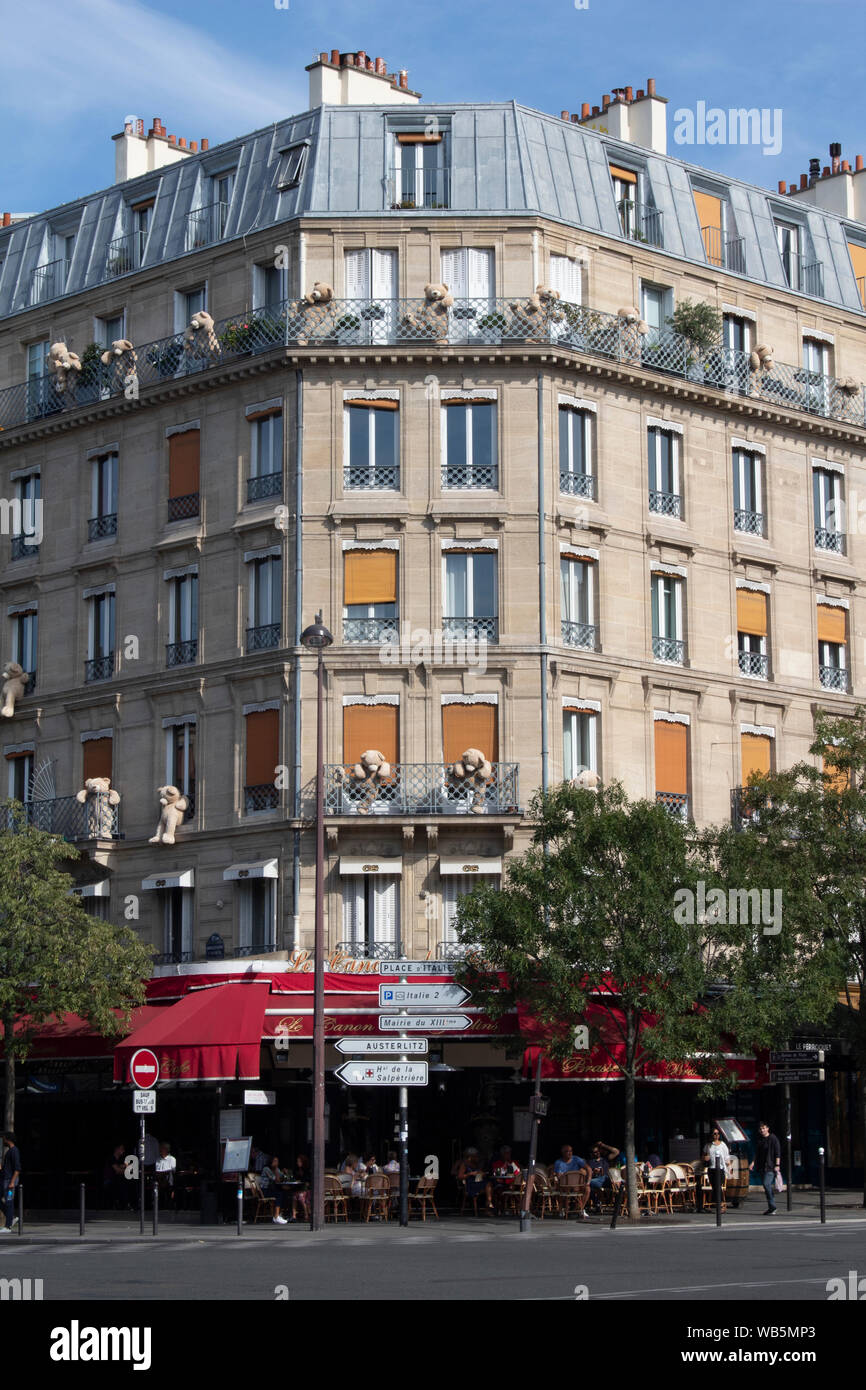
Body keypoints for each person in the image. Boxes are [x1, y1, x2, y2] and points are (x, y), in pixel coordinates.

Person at [750, 1122, 782, 1215]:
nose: (762, 1130)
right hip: (762, 1167)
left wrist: (777, 1165)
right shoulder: (760, 1140)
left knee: (766, 1184)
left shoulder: (773, 1138)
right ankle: (771, 1207)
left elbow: (777, 1152)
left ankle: (773, 1206)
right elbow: (757, 1153)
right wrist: (753, 1163)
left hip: (771, 1167)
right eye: (760, 1129)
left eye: (764, 1128)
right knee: (766, 1186)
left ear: (768, 1128)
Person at [553, 1145, 593, 1219]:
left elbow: (589, 1169)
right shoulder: (559, 1162)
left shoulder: (576, 1159)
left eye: (571, 1151)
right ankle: (561, 1209)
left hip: (577, 1185)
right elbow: (558, 1177)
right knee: (558, 1187)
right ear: (562, 1153)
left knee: (587, 1189)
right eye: (567, 1151)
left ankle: (580, 1209)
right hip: (565, 1186)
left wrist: (588, 1181)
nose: (569, 1153)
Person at [704, 1127, 731, 1212]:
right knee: (714, 1187)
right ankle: (719, 1204)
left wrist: (729, 1168)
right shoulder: (708, 1145)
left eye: (718, 1133)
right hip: (711, 1169)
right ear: (712, 1135)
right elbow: (704, 1156)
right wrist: (705, 1158)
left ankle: (721, 1205)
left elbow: (727, 1157)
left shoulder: (723, 1145)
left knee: (717, 1187)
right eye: (714, 1133)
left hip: (720, 1169)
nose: (716, 1135)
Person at [260, 1155, 290, 1224]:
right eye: (275, 1161)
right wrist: (276, 1170)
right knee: (279, 1193)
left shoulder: (277, 1169)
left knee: (285, 1192)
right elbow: (275, 1179)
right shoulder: (266, 1169)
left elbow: (282, 1177)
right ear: (271, 1162)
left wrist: (285, 1173)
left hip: (272, 1189)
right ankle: (276, 1216)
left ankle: (279, 1214)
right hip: (265, 1191)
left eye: (277, 1161)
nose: (276, 1163)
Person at [1, 1133, 21, 1233]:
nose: (3, 1141)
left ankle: (8, 1226)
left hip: (10, 1182)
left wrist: (12, 1182)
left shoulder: (14, 1151)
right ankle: (11, 1218)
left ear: (8, 1139)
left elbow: (17, 1169)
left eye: (4, 1139)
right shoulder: (10, 1151)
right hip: (5, 1181)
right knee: (5, 1202)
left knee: (9, 1202)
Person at [103, 1143, 129, 1210]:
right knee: (121, 1184)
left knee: (125, 1182)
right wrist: (126, 1169)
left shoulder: (120, 1159)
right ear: (117, 1149)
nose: (123, 1150)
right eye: (122, 1148)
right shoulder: (111, 1158)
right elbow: (118, 1170)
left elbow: (124, 1166)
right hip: (109, 1181)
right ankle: (122, 1204)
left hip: (116, 1180)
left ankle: (124, 1204)